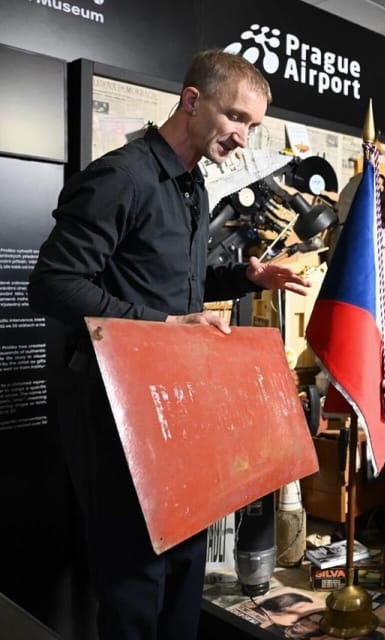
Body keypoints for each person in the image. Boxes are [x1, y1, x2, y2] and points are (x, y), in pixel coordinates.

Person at [27, 50, 311, 640]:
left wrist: (244, 279)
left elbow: (174, 281)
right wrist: (161, 324)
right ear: (191, 100)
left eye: (252, 126)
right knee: (136, 583)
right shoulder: (122, 176)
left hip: (171, 405)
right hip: (115, 409)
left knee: (185, 568)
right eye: (236, 118)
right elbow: (52, 284)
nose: (242, 136)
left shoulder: (190, 186)